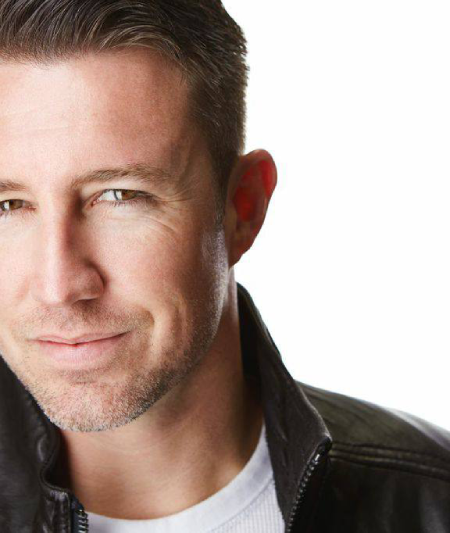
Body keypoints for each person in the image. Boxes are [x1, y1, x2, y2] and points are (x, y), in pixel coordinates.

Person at [0, 1, 448, 532]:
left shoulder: (430, 501)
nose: (58, 286)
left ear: (243, 207)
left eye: (120, 196)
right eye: (9, 206)